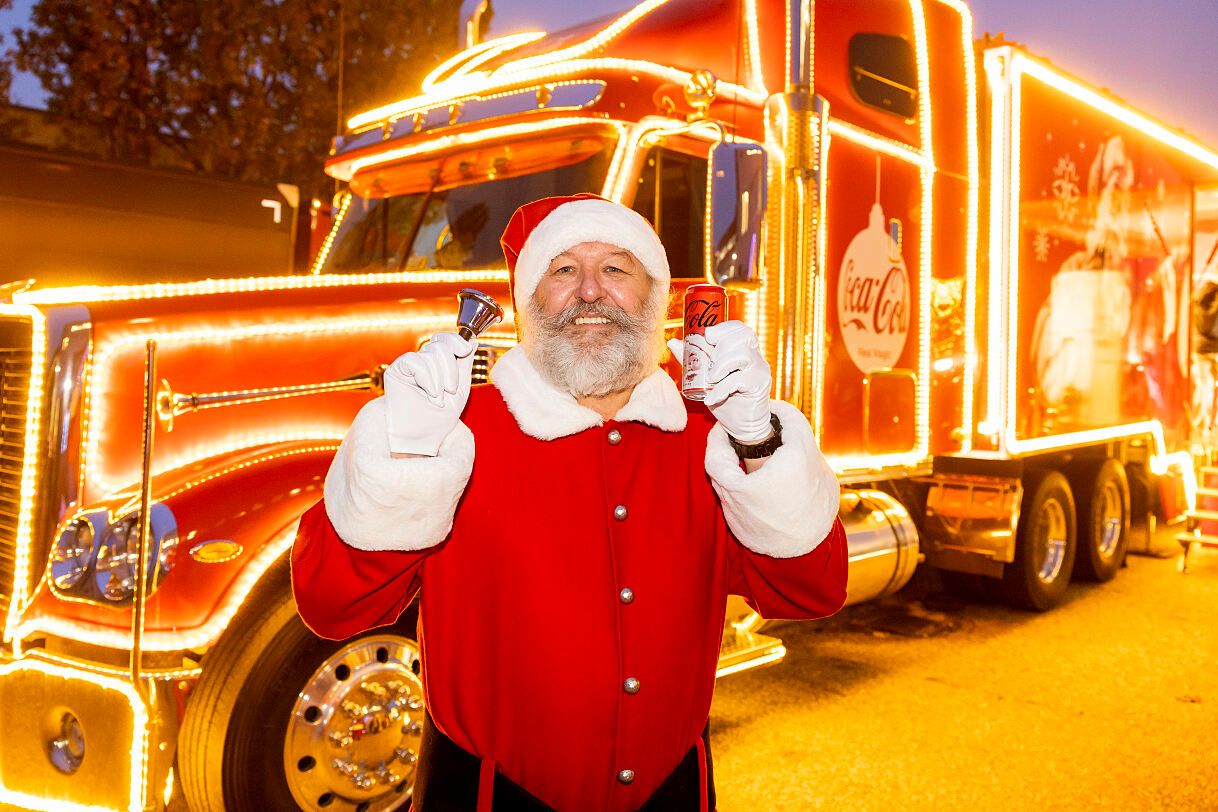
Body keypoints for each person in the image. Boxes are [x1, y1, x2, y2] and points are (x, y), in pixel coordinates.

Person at [291, 193, 848, 811]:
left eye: (616, 268)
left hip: (674, 790)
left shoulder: (708, 439)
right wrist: (401, 459)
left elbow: (810, 590)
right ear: (528, 303)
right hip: (490, 796)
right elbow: (332, 606)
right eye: (562, 270)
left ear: (654, 297)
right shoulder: (457, 432)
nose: (589, 291)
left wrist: (760, 442)